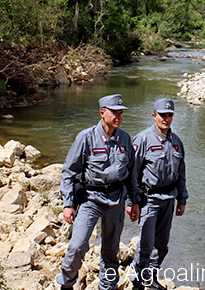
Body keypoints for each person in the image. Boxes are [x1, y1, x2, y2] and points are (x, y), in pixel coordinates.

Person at [56, 94, 141, 290]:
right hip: (90, 199)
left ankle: (108, 286)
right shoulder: (85, 138)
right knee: (77, 245)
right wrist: (68, 204)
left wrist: (133, 201)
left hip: (116, 200)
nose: (119, 116)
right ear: (102, 113)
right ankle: (66, 284)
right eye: (114, 112)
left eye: (121, 112)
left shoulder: (126, 139)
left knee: (111, 251)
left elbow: (131, 175)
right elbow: (69, 172)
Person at [128, 99, 188, 290]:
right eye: (162, 115)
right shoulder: (143, 139)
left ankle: (151, 277)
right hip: (149, 199)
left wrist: (182, 199)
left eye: (169, 115)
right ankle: (138, 280)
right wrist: (132, 201)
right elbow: (132, 173)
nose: (166, 119)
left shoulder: (177, 142)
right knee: (146, 243)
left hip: (169, 199)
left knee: (162, 244)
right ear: (154, 116)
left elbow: (181, 174)